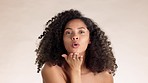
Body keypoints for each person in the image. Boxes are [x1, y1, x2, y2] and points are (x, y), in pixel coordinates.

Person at [35, 9, 117, 83]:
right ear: (61, 39)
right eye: (68, 32)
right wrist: (75, 70)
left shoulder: (104, 75)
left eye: (81, 32)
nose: (74, 36)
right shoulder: (51, 69)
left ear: (90, 39)